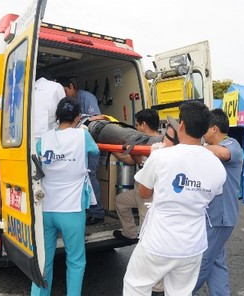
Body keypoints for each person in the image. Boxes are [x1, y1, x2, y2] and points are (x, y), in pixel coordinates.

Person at [123, 101, 227, 296]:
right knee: (180, 293)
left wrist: (152, 162)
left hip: (159, 239)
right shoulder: (216, 166)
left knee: (135, 286)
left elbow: (144, 193)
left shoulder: (162, 156)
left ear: (181, 125)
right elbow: (210, 196)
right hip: (192, 243)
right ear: (205, 129)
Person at [31, 97, 99, 296]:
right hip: (71, 209)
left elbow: (36, 160)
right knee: (76, 261)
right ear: (78, 117)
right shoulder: (82, 136)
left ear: (57, 116)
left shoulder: (43, 139)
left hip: (46, 208)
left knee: (44, 260)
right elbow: (94, 151)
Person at [193, 108, 244, 296]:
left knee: (203, 260)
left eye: (204, 128)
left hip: (220, 217)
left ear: (214, 128)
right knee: (216, 263)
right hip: (215, 217)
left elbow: (223, 154)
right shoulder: (212, 150)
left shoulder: (232, 144)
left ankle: (183, 291)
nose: (201, 133)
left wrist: (194, 148)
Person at [58, 76, 105, 225]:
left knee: (90, 176)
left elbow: (97, 118)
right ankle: (85, 210)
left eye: (65, 90)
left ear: (71, 86)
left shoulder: (86, 97)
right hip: (75, 144)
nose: (64, 94)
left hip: (87, 142)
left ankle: (97, 213)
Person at [113, 109, 163, 242]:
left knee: (145, 223)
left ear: (144, 125)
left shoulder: (158, 144)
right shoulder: (142, 141)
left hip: (148, 191)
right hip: (138, 190)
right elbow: (130, 160)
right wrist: (113, 149)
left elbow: (139, 161)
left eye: (137, 125)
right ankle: (130, 233)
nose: (135, 128)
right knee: (120, 201)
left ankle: (144, 247)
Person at [33, 75, 66, 139]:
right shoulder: (56, 86)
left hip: (29, 137)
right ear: (54, 80)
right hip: (48, 137)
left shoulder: (30, 87)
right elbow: (64, 110)